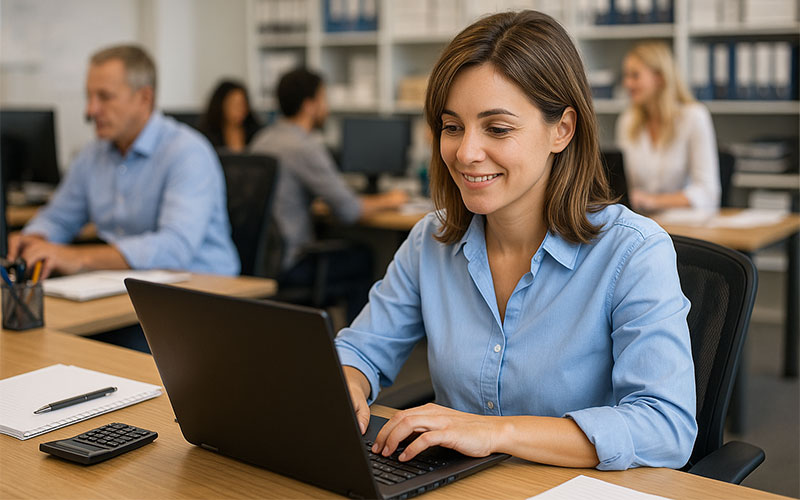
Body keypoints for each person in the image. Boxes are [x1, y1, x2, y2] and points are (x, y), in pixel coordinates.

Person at [335, 10, 697, 471]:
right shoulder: (431, 241)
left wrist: (495, 432)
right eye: (452, 126)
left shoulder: (633, 252)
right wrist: (347, 384)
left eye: (498, 128)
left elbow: (666, 428)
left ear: (562, 130)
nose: (466, 152)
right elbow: (361, 350)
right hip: (461, 485)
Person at [7, 45, 240, 279]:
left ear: (144, 98)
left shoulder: (187, 152)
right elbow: (59, 217)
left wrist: (77, 257)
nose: (91, 110)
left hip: (204, 290)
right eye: (89, 97)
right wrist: (33, 241)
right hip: (129, 284)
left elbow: (174, 248)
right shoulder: (92, 155)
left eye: (104, 97)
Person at [249, 68, 407, 318]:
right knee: (363, 257)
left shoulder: (262, 139)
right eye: (323, 99)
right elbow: (349, 210)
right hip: (291, 263)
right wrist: (391, 200)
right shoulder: (304, 146)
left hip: (260, 261)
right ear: (309, 105)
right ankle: (358, 351)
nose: (327, 107)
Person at [616, 42, 720, 213]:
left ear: (660, 78)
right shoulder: (628, 121)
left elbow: (708, 193)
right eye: (625, 76)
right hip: (641, 225)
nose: (627, 84)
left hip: (683, 225)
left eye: (635, 76)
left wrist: (652, 201)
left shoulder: (694, 117)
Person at [198, 79, 262, 152]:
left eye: (242, 104)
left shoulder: (257, 134)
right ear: (220, 106)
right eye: (234, 105)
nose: (240, 109)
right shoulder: (205, 137)